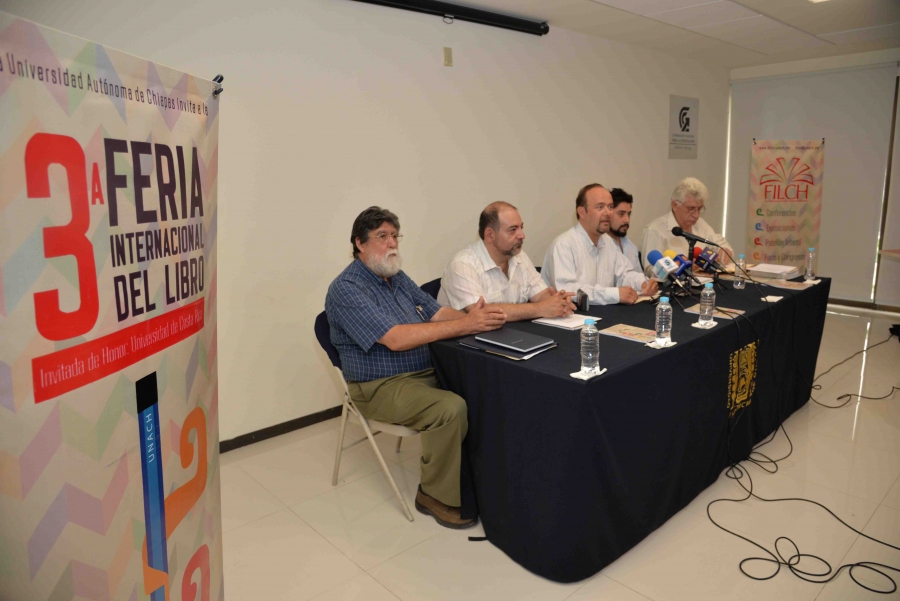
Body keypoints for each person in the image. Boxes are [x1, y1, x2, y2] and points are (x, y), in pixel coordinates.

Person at [325, 206, 506, 529]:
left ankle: (482, 479)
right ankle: (434, 495)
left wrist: (475, 319)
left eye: (395, 236)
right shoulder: (347, 289)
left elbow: (437, 313)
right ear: (360, 243)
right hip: (380, 386)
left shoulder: (395, 277)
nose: (392, 243)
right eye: (382, 236)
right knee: (450, 408)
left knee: (485, 388)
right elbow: (395, 339)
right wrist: (466, 327)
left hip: (423, 372)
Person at [438, 202, 576, 320]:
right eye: (512, 230)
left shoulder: (519, 256)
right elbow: (483, 313)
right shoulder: (462, 265)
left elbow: (542, 295)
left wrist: (558, 302)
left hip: (510, 337)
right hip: (466, 344)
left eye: (521, 227)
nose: (522, 235)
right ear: (490, 235)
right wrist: (539, 308)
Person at [542, 184, 658, 305]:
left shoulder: (607, 242)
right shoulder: (563, 245)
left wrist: (642, 283)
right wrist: (613, 294)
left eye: (610, 207)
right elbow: (567, 290)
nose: (608, 212)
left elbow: (624, 275)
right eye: (600, 207)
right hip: (570, 318)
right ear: (581, 212)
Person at [640, 177, 733, 277]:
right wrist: (679, 269)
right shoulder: (655, 230)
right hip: (671, 289)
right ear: (675, 205)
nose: (696, 215)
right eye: (691, 208)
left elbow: (719, 244)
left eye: (700, 209)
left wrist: (724, 251)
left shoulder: (700, 224)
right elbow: (650, 271)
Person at [605, 188, 642, 273]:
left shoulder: (630, 246)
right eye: (621, 214)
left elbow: (640, 279)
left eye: (628, 214)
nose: (627, 220)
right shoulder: (600, 247)